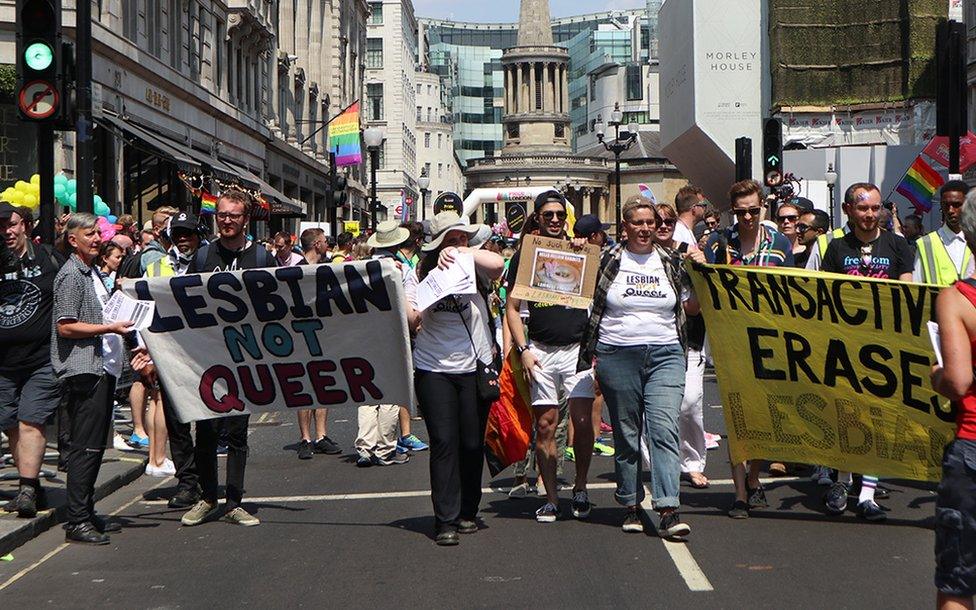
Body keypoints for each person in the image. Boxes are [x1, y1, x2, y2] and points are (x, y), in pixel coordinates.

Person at [578, 197, 703, 537]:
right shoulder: (606, 260)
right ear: (625, 227)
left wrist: (703, 270)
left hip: (666, 353)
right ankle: (631, 503)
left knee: (664, 428)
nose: (647, 228)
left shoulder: (673, 261)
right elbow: (570, 285)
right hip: (617, 354)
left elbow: (692, 308)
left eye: (652, 222)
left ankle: (668, 509)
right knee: (627, 432)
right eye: (639, 222)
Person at [403, 211, 504, 545]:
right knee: (444, 442)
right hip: (434, 368)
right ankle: (445, 518)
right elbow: (413, 319)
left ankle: (468, 511)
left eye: (463, 238)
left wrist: (464, 253)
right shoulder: (419, 274)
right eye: (452, 239)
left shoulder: (476, 266)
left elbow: (498, 264)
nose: (459, 243)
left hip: (474, 367)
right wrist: (412, 309)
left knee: (472, 443)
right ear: (436, 246)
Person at [180, 190, 275, 528]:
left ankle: (234, 502)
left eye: (234, 215)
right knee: (204, 431)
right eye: (222, 214)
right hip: (208, 358)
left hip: (246, 359)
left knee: (237, 434)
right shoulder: (204, 256)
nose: (227, 220)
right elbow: (182, 298)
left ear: (245, 219)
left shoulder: (262, 257)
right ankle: (207, 498)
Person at [820, 182, 913, 522]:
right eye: (863, 208)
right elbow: (824, 295)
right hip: (844, 344)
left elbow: (906, 293)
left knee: (875, 415)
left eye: (876, 208)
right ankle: (843, 481)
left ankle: (868, 493)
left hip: (883, 349)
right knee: (845, 413)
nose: (870, 215)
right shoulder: (835, 249)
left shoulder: (899, 245)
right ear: (848, 210)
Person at [506, 191, 598, 523]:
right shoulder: (524, 256)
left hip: (577, 351)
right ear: (538, 218)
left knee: (583, 422)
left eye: (561, 215)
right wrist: (523, 350)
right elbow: (512, 309)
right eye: (549, 216)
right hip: (541, 351)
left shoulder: (581, 252)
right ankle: (551, 498)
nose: (556, 220)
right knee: (544, 426)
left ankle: (581, 487)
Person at [704, 179, 794, 518]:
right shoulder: (718, 243)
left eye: (753, 211)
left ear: (762, 209)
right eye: (740, 212)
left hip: (768, 342)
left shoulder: (780, 244)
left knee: (762, 417)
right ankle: (740, 492)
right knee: (736, 417)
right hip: (730, 343)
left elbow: (792, 293)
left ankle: (754, 477)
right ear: (732, 213)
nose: (747, 218)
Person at [52, 213, 133, 544]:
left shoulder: (93, 273)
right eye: (91, 235)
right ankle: (77, 521)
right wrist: (109, 328)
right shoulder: (72, 275)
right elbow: (65, 325)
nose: (98, 239)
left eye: (99, 233)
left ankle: (86, 511)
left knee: (96, 446)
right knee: (84, 448)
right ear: (74, 241)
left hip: (104, 368)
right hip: (85, 370)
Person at [0, 203, 64, 518]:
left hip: (42, 359)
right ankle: (32, 485)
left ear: (24, 225)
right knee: (11, 423)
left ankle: (26, 489)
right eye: (0, 227)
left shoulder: (49, 258)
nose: (7, 232)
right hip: (4, 363)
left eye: (10, 224)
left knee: (30, 419)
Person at [929, 187, 976, 610]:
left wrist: (936, 375)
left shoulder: (957, 298)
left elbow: (959, 382)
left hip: (973, 443)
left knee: (959, 584)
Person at [143, 211, 204, 507]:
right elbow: (142, 309)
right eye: (177, 234)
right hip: (169, 357)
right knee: (177, 423)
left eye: (188, 234)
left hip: (205, 357)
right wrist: (145, 351)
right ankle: (187, 482)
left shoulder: (210, 264)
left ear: (198, 236)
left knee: (207, 422)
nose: (183, 239)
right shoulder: (155, 267)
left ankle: (206, 477)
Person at [652, 202, 710, 489]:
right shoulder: (639, 254)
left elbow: (694, 308)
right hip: (650, 342)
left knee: (689, 403)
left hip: (687, 341)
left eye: (668, 221)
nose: (662, 226)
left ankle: (693, 462)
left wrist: (698, 269)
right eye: (657, 221)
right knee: (652, 409)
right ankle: (660, 464)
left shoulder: (689, 254)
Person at [368, 221, 430, 455]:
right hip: (396, 330)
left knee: (374, 388)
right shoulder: (395, 267)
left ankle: (371, 443)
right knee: (395, 385)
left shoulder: (367, 265)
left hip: (374, 333)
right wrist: (415, 322)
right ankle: (387, 443)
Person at [290, 227, 342, 461]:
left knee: (324, 384)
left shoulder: (328, 268)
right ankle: (306, 438)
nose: (327, 245)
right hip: (302, 335)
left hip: (325, 333)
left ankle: (321, 436)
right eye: (323, 241)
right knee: (305, 387)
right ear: (316, 244)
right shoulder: (296, 270)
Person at [914, 181, 975, 286]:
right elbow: (916, 287)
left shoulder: (974, 240)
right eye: (946, 205)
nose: (951, 210)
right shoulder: (925, 243)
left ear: (967, 205)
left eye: (956, 205)